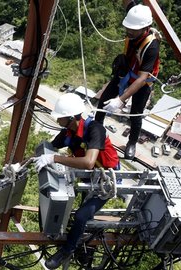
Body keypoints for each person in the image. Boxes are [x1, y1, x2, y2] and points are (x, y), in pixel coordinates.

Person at [34, 93, 120, 269]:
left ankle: (68, 249)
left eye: (60, 118)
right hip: (88, 177)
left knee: (81, 216)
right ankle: (80, 238)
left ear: (71, 117)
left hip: (106, 180)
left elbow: (88, 162)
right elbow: (49, 150)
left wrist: (54, 159)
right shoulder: (68, 132)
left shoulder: (95, 129)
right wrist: (21, 164)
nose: (58, 121)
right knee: (66, 206)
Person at [95, 0, 160, 160]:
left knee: (136, 115)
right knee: (102, 102)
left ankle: (131, 142)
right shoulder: (136, 15)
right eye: (128, 27)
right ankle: (96, 132)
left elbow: (142, 78)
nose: (129, 30)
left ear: (145, 28)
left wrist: (120, 100)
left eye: (133, 29)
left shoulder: (151, 46)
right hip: (126, 71)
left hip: (142, 82)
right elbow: (127, 2)